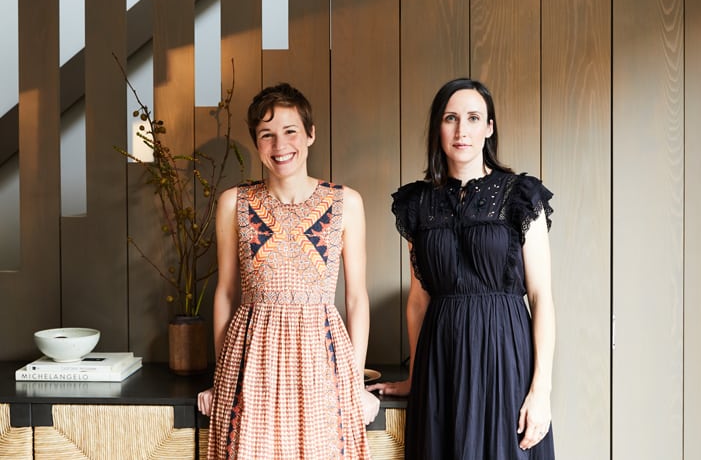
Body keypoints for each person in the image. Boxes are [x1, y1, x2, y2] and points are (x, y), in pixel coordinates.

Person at [369, 78, 556, 459]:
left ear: (489, 128)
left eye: (473, 118)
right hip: (441, 361)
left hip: (504, 356)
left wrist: (541, 391)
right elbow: (419, 301)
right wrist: (414, 377)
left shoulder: (520, 194)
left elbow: (541, 298)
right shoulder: (418, 204)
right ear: (438, 127)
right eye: (450, 118)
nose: (461, 130)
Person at [197, 83, 380, 459]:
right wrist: (222, 380)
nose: (280, 145)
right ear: (257, 143)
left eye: (290, 131)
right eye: (267, 135)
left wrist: (355, 384)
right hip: (253, 360)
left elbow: (357, 297)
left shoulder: (346, 202)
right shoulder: (235, 202)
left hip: (321, 361)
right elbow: (226, 292)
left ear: (310, 134)